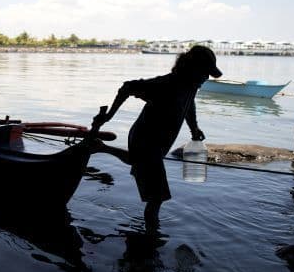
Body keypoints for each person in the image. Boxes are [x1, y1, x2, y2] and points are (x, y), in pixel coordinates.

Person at [94, 45, 222, 229]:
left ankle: (101, 147)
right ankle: (151, 240)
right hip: (145, 140)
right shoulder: (165, 85)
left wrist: (194, 128)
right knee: (157, 198)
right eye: (205, 72)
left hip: (158, 143)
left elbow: (189, 105)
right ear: (192, 69)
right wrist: (108, 117)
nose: (206, 78)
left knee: (136, 162)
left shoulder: (191, 86)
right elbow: (127, 87)